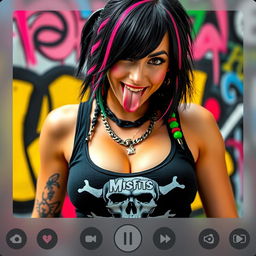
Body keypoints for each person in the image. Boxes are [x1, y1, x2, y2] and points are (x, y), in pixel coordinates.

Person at [31, 0, 238, 218]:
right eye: (128, 57)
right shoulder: (63, 126)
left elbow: (227, 234)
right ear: (104, 51)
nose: (137, 77)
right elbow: (42, 232)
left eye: (156, 61)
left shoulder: (197, 124)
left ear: (171, 65)